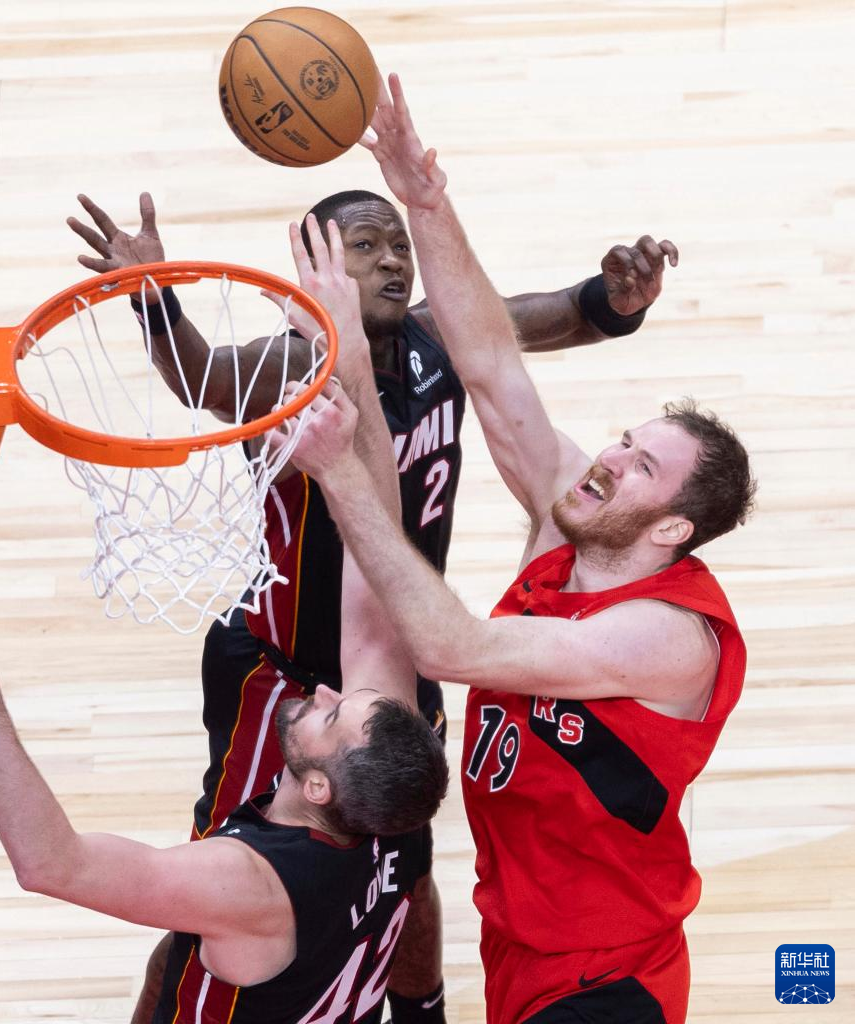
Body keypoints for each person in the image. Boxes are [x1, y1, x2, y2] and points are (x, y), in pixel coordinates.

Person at [67, 186, 672, 1022]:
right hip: (288, 683)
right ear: (321, 264)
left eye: (398, 245)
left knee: (406, 868)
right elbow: (203, 377)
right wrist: (155, 298)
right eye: (365, 246)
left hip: (395, 654)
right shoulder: (293, 364)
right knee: (209, 897)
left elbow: (555, 315)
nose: (392, 260)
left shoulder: (436, 336)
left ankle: (422, 1013)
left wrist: (615, 300)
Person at [285, 75, 757, 1024]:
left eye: (640, 467)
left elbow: (450, 646)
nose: (609, 460)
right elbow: (492, 366)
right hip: (521, 952)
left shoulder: (666, 636)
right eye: (624, 441)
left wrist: (341, 475)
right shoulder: (575, 519)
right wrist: (425, 199)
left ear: (670, 531)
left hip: (608, 976)